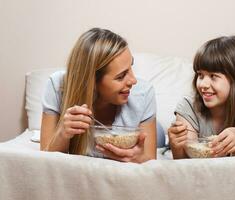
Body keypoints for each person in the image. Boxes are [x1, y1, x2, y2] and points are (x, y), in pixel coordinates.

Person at [40, 28, 158, 163]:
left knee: (160, 137)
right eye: (121, 76)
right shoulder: (57, 86)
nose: (133, 80)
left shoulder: (143, 92)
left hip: (144, 122)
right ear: (92, 82)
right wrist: (62, 133)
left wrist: (138, 158)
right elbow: (45, 158)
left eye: (131, 66)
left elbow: (150, 162)